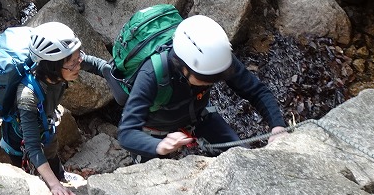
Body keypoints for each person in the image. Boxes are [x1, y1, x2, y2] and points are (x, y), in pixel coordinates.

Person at [117, 15, 288, 160]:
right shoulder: (152, 74)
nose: (211, 83)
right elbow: (126, 133)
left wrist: (277, 125)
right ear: (183, 67)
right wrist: (159, 146)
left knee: (242, 159)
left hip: (198, 116)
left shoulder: (218, 60)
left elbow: (256, 91)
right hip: (155, 130)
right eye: (204, 79)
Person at [1, 22, 114, 195]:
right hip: (19, 142)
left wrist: (117, 75)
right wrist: (54, 186)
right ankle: (52, 181)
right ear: (52, 67)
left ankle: (60, 175)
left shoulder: (65, 64)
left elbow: (96, 65)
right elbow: (32, 147)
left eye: (78, 58)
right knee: (32, 176)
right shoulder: (28, 95)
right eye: (73, 64)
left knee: (51, 150)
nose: (78, 66)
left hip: (46, 124)